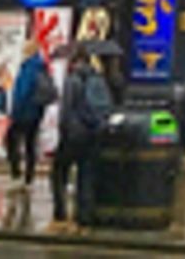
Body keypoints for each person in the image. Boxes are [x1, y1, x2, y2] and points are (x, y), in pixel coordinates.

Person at [51, 44, 112, 231]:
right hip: (93, 133)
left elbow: (67, 110)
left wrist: (62, 131)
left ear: (75, 60)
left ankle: (60, 213)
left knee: (58, 172)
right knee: (86, 175)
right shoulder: (98, 78)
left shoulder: (73, 80)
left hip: (73, 134)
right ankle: (85, 217)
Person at [6, 35, 56, 188]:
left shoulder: (29, 67)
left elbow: (24, 90)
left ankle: (17, 173)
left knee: (10, 139)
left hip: (25, 111)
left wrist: (15, 110)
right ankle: (29, 177)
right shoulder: (40, 66)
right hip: (36, 111)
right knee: (30, 143)